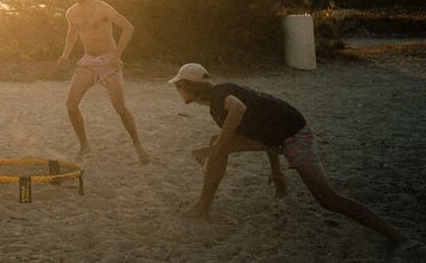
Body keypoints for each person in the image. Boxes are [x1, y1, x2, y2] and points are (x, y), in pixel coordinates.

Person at [168, 62, 400, 244]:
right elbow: (264, 136)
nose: (178, 90)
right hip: (279, 136)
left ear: (190, 87)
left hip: (296, 135)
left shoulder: (220, 95)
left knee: (328, 200)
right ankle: (203, 207)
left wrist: (215, 150)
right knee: (217, 142)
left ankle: (396, 235)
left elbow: (239, 108)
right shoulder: (216, 107)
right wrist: (276, 171)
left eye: (179, 86)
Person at [57, 0, 150, 164]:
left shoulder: (102, 8)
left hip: (109, 61)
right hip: (88, 62)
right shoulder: (71, 13)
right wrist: (65, 55)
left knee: (120, 107)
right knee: (71, 105)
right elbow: (72, 33)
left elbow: (128, 27)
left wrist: (117, 54)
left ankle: (138, 144)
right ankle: (84, 145)